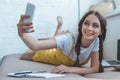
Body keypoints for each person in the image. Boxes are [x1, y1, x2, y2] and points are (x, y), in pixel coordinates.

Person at [17, 10, 107, 75]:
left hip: (64, 50)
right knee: (24, 56)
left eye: (95, 26)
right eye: (86, 23)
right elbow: (35, 45)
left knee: (58, 39)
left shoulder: (96, 41)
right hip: (54, 56)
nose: (89, 28)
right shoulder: (68, 39)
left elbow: (94, 68)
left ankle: (58, 32)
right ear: (81, 25)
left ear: (101, 31)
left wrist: (70, 69)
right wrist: (22, 33)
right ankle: (58, 31)